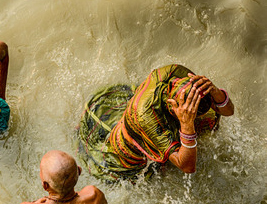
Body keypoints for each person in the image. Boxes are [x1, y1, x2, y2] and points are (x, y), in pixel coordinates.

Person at [78, 64, 234, 182]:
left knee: (212, 118)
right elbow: (186, 166)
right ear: (173, 106)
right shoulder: (146, 116)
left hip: (156, 111)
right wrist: (187, 125)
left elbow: (229, 111)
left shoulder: (179, 74)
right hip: (127, 156)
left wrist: (215, 91)